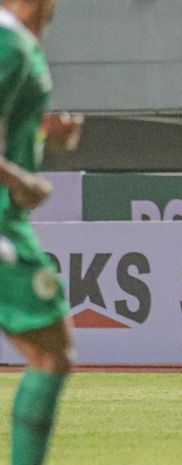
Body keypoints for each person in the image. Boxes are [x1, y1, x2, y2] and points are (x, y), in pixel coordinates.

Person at [0, 1, 82, 463]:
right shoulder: (8, 45)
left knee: (51, 355)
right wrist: (23, 182)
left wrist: (41, 135)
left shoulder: (19, 45)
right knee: (51, 355)